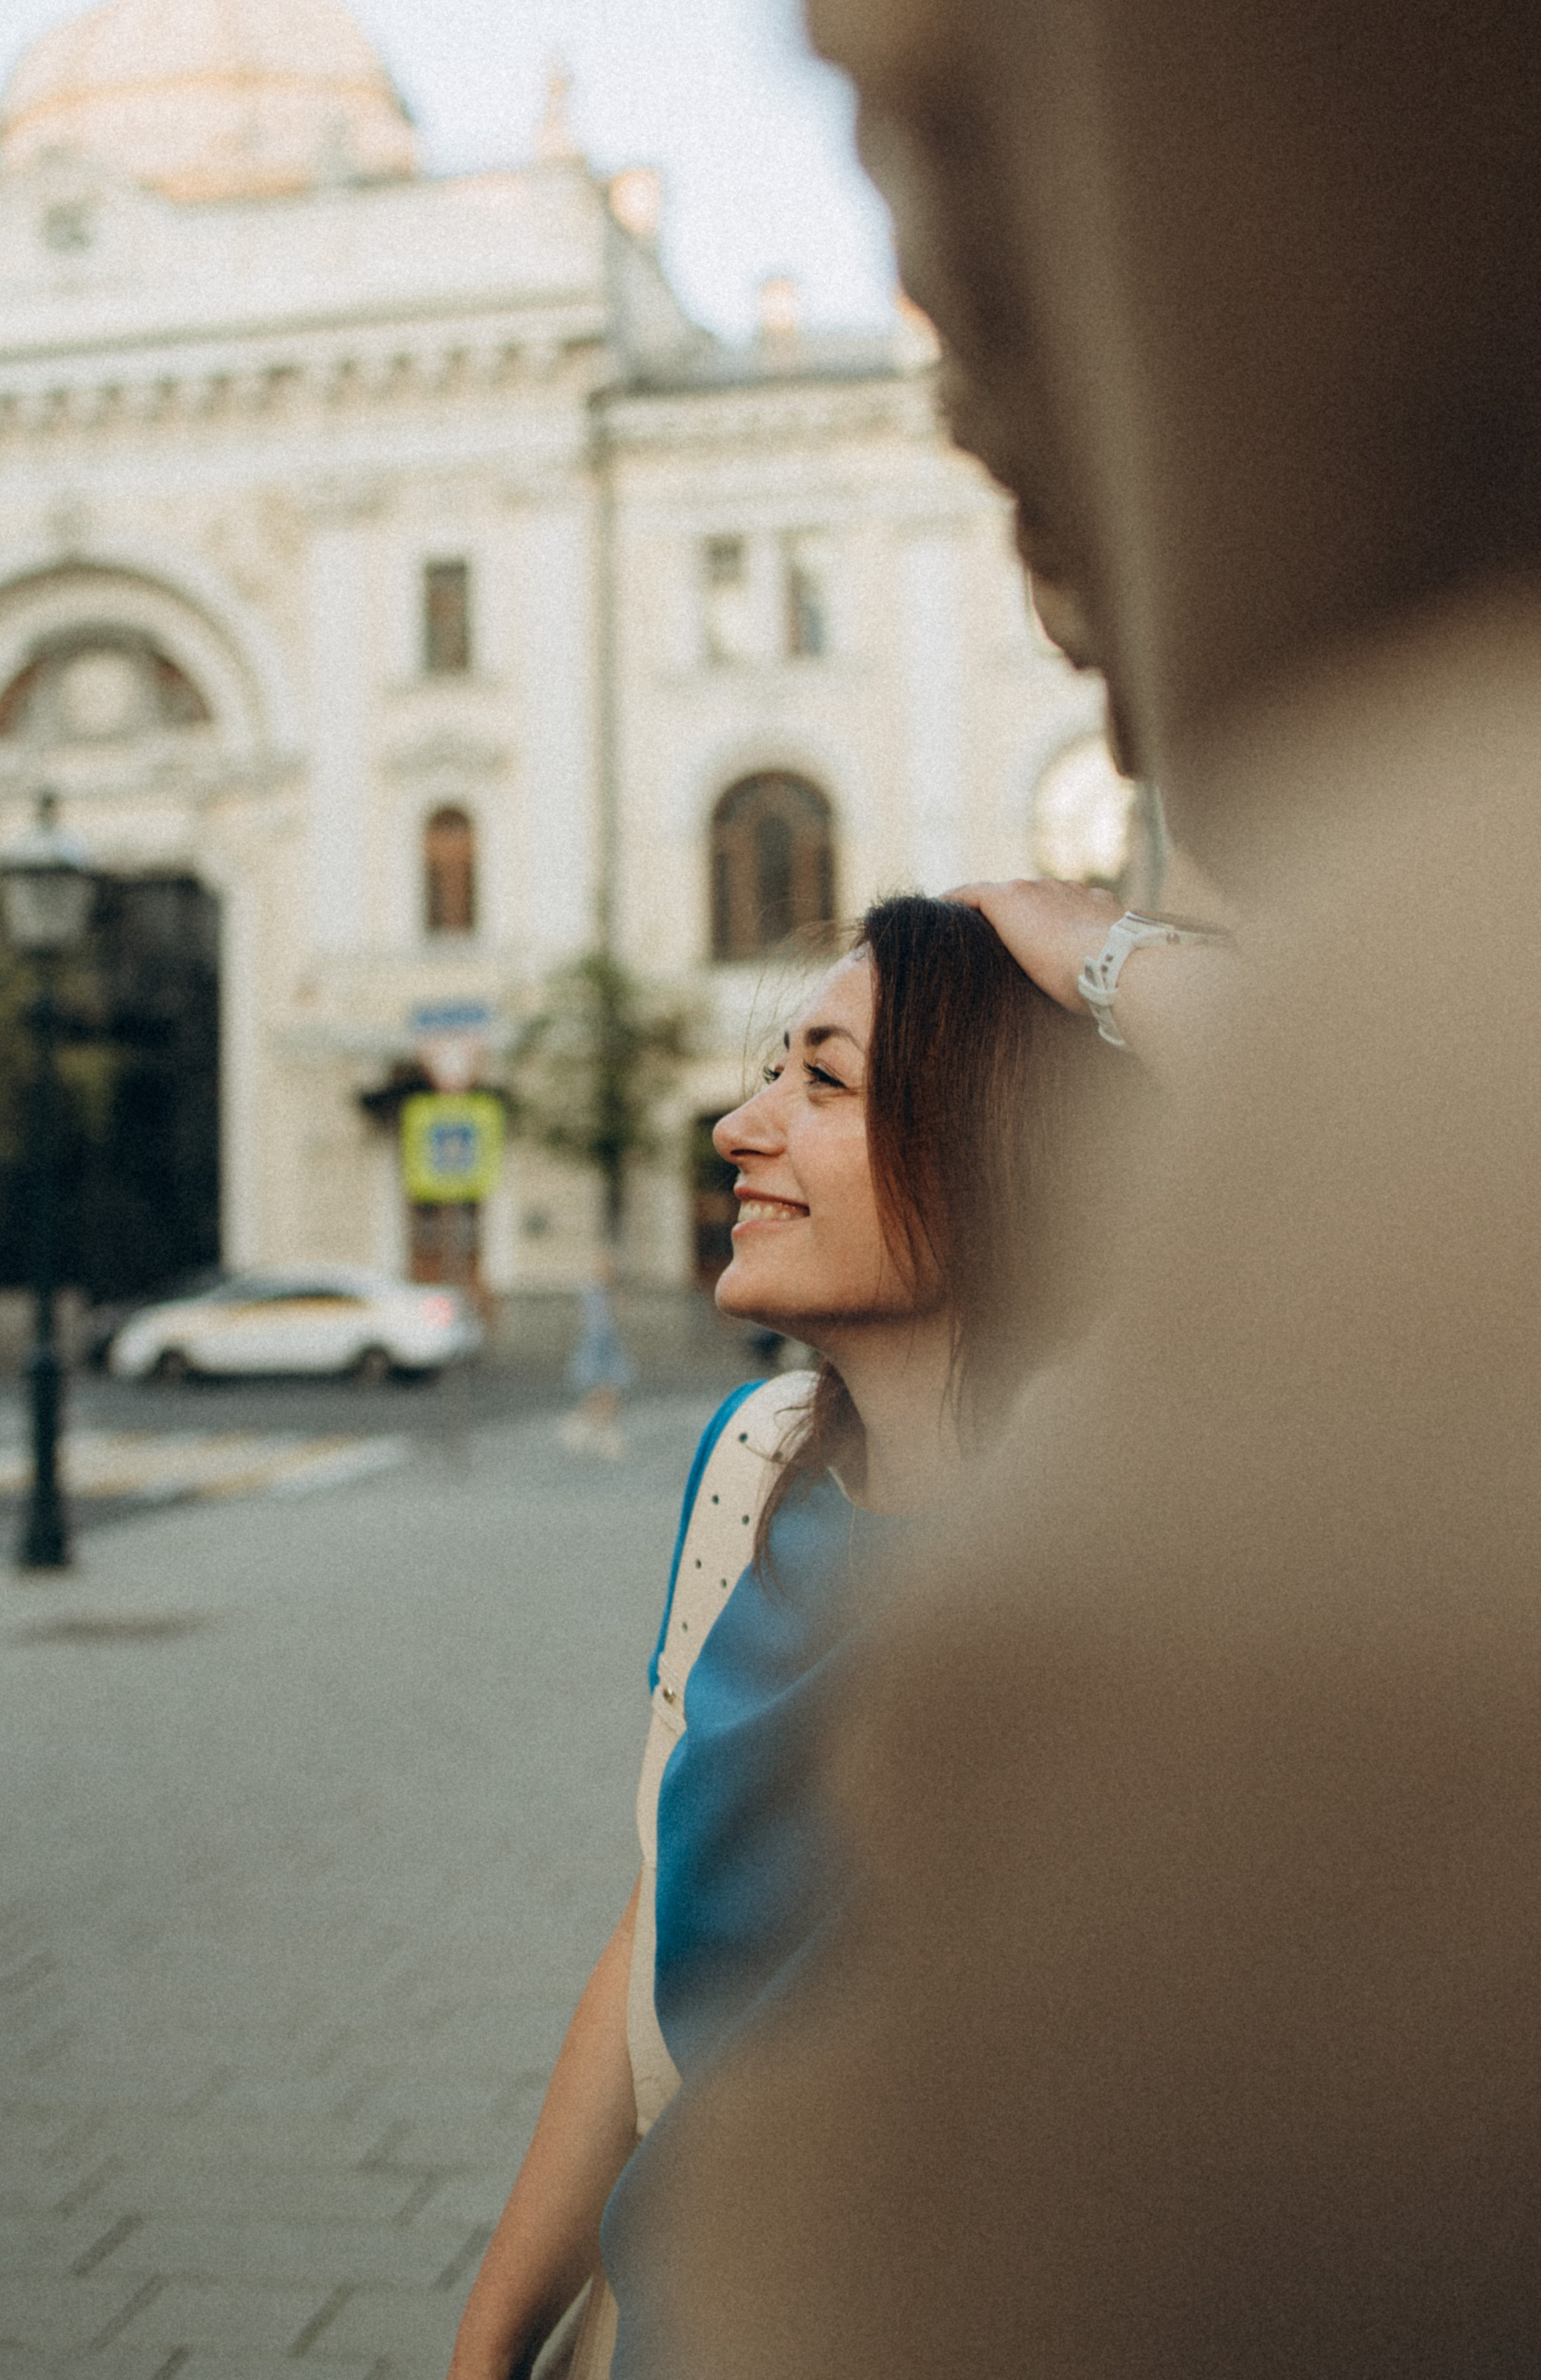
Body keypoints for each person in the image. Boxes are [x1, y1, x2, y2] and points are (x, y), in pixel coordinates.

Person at [594, 3, 1541, 2375]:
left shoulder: (1414, 1106)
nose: (932, 257)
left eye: (971, 78)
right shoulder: (753, 1478)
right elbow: (640, 1981)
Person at [444, 888, 1175, 2380]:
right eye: (772, 1070)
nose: (738, 1124)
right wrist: (491, 2338)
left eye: (820, 1081)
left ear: (1001, 1151)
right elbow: (658, 1935)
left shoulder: (1150, 1529)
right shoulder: (749, 1458)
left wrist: (1102, 956)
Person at [559, 1256, 634, 1462]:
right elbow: (601, 1327)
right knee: (605, 1395)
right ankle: (588, 1431)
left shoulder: (604, 1293)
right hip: (601, 1349)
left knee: (608, 1396)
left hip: (608, 1349)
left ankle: (588, 1431)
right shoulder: (594, 1292)